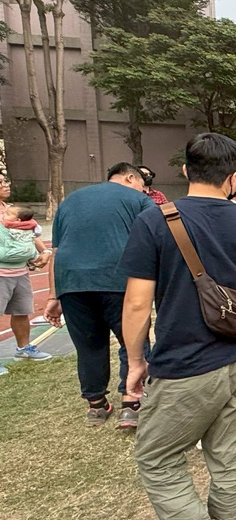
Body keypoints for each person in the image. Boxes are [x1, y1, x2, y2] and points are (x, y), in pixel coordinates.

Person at [120, 133, 236, 520]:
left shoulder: (155, 220)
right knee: (229, 461)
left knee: (156, 458)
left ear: (186, 171)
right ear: (233, 178)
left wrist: (135, 361)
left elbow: (137, 304)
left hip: (183, 365)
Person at [44, 162, 155, 427]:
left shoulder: (71, 200)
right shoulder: (139, 200)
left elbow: (56, 252)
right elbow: (154, 239)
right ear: (130, 178)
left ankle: (96, 404)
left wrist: (53, 296)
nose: (145, 190)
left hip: (71, 281)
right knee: (132, 339)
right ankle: (131, 401)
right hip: (118, 278)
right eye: (143, 184)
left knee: (88, 344)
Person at [0, 176, 52, 361]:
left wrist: (45, 251)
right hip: (1, 273)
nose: (6, 185)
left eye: (5, 181)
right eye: (0, 183)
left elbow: (30, 233)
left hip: (20, 272)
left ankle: (23, 349)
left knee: (21, 311)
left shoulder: (13, 210)